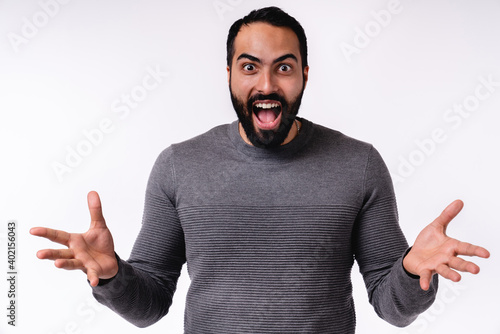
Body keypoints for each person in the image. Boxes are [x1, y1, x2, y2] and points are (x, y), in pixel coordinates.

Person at [30, 7, 490, 333]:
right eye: (249, 67)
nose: (266, 85)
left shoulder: (359, 165)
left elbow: (392, 309)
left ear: (305, 75)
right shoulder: (178, 165)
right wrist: (111, 277)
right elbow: (149, 306)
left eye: (283, 68)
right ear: (228, 73)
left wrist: (411, 272)